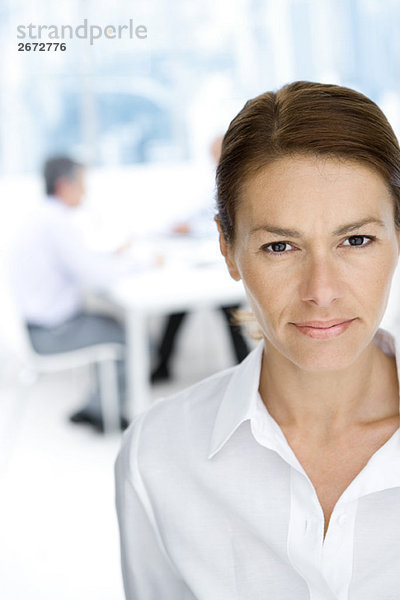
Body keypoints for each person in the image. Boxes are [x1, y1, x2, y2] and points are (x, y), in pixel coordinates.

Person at [115, 81, 400, 598]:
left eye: (355, 240)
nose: (322, 291)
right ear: (227, 248)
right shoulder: (157, 456)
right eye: (280, 246)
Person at [11, 156, 145, 432]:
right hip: (53, 333)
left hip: (42, 326)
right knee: (134, 338)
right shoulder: (57, 223)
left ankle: (96, 405)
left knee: (111, 328)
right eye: (82, 184)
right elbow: (96, 276)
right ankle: (102, 412)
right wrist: (138, 262)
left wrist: (106, 257)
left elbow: (79, 262)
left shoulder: (43, 217)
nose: (85, 192)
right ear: (63, 185)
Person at [151, 136, 250, 382]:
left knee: (228, 310)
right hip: (206, 260)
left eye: (218, 154)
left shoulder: (246, 182)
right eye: (213, 156)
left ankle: (246, 366)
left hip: (225, 264)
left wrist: (198, 227)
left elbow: (234, 225)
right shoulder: (218, 181)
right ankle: (163, 365)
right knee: (179, 307)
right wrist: (185, 225)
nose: (215, 161)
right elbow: (200, 213)